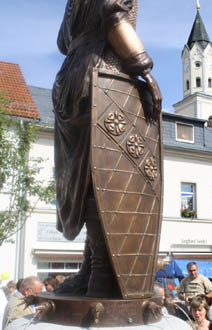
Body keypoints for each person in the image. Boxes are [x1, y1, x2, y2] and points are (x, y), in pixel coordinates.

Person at [53, 0, 162, 298]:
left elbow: (63, 42)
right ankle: (102, 273)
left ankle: (92, 271)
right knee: (110, 178)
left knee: (88, 178)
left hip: (69, 79)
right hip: (103, 76)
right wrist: (146, 71)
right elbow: (113, 13)